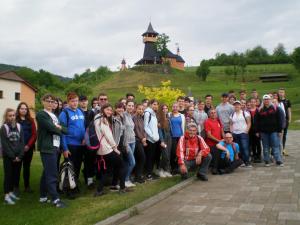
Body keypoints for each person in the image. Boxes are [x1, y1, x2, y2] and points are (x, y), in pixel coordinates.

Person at [36, 94, 67, 208]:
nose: (50, 103)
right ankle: (55, 199)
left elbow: (66, 129)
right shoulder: (41, 114)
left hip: (55, 146)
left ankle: (43, 196)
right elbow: (52, 128)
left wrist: (59, 128)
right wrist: (59, 129)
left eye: (52, 101)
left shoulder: (54, 115)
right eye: (47, 101)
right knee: (52, 174)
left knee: (46, 173)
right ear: (43, 102)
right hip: (47, 147)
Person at [94, 104, 127, 196]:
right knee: (122, 166)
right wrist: (115, 148)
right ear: (103, 109)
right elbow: (108, 135)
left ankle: (99, 190)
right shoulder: (103, 120)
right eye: (107, 110)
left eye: (110, 110)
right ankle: (122, 188)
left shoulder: (96, 118)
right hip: (107, 149)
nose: (109, 112)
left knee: (107, 170)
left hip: (99, 150)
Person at [59, 92, 86, 191]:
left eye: (76, 101)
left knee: (78, 166)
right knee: (70, 167)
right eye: (72, 101)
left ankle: (74, 185)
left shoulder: (80, 111)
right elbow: (62, 132)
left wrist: (84, 138)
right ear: (68, 101)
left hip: (81, 144)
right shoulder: (64, 113)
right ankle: (68, 188)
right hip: (70, 144)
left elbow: (83, 127)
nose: (75, 103)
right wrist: (65, 148)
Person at [1, 108, 24, 205]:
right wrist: (12, 156)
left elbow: (22, 142)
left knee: (15, 176)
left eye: (13, 115)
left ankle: (11, 193)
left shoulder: (19, 126)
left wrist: (20, 156)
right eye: (10, 116)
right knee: (8, 176)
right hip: (8, 157)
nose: (12, 117)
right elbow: (5, 144)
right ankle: (6, 195)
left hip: (18, 157)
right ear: (6, 117)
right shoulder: (4, 127)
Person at [255, 94, 284, 167]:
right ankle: (267, 161)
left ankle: (278, 160)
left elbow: (280, 120)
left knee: (275, 146)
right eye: (265, 99)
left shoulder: (276, 108)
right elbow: (256, 121)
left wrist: (280, 130)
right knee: (265, 146)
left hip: (274, 131)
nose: (266, 101)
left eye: (267, 99)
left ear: (270, 100)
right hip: (264, 132)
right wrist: (257, 131)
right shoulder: (259, 110)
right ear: (263, 101)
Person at [16, 102, 37, 193]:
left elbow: (34, 134)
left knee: (26, 167)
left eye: (25, 109)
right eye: (22, 108)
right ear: (18, 109)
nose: (24, 110)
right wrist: (20, 146)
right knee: (17, 168)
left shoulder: (31, 120)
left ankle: (27, 186)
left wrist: (28, 145)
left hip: (29, 148)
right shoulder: (15, 120)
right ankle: (15, 187)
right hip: (17, 148)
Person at [79, 95, 95, 187]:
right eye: (81, 101)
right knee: (77, 161)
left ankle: (89, 180)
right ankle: (74, 181)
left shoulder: (91, 112)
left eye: (85, 100)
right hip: (78, 140)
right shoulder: (77, 112)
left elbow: (93, 125)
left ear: (87, 102)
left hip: (89, 140)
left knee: (89, 161)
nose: (83, 102)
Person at [229, 101, 252, 167]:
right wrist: (231, 132)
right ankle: (241, 162)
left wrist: (246, 131)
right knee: (238, 148)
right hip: (235, 134)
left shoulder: (245, 113)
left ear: (240, 106)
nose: (237, 106)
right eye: (235, 105)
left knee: (245, 147)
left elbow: (249, 123)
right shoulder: (232, 114)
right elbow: (230, 124)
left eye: (238, 105)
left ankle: (247, 161)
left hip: (243, 133)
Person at [144, 99, 160, 180]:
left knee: (153, 157)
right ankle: (148, 174)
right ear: (150, 105)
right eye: (154, 104)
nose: (155, 106)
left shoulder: (154, 114)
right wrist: (152, 136)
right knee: (149, 158)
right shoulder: (147, 113)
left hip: (155, 140)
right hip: (150, 140)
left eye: (157, 104)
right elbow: (145, 127)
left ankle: (150, 172)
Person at [169, 102, 185, 174]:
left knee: (180, 152)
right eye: (174, 107)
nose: (175, 108)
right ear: (172, 107)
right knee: (173, 152)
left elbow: (183, 126)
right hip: (172, 137)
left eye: (176, 107)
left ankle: (179, 167)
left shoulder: (182, 116)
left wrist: (183, 136)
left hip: (180, 137)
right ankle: (173, 168)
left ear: (179, 108)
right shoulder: (169, 115)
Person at [132, 104, 147, 183]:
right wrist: (142, 139)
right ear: (136, 109)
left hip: (141, 140)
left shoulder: (141, 118)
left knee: (140, 158)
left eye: (142, 109)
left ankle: (138, 175)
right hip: (137, 140)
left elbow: (143, 129)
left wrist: (144, 137)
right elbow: (136, 130)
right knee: (142, 157)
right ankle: (137, 176)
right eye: (139, 109)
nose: (141, 110)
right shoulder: (134, 118)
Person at [123, 100, 136, 187]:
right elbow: (122, 130)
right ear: (126, 106)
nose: (131, 107)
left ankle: (126, 179)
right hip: (126, 142)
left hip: (133, 141)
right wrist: (125, 143)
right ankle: (125, 180)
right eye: (129, 105)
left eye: (132, 106)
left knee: (128, 162)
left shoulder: (130, 116)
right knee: (132, 162)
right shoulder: (123, 115)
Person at [157, 104, 172, 178]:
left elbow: (170, 129)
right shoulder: (159, 119)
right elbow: (159, 131)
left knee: (168, 155)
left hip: (169, 138)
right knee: (164, 155)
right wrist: (162, 141)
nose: (165, 110)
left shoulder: (168, 118)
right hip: (163, 138)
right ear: (161, 110)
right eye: (163, 108)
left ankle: (166, 170)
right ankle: (160, 169)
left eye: (166, 108)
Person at [278, 88, 292, 156]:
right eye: (280, 92)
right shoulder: (276, 100)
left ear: (284, 93)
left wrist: (289, 119)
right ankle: (278, 148)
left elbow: (289, 110)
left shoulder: (287, 101)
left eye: (282, 92)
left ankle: (283, 148)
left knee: (284, 135)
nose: (281, 93)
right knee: (279, 134)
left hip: (285, 120)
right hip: (278, 121)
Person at [248, 98, 261, 163]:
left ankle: (259, 156)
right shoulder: (248, 111)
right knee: (252, 144)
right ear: (250, 103)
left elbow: (260, 122)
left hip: (257, 131)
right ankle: (254, 155)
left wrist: (258, 131)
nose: (253, 103)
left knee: (258, 144)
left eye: (254, 102)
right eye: (251, 102)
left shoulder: (258, 111)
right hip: (250, 131)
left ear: (256, 103)